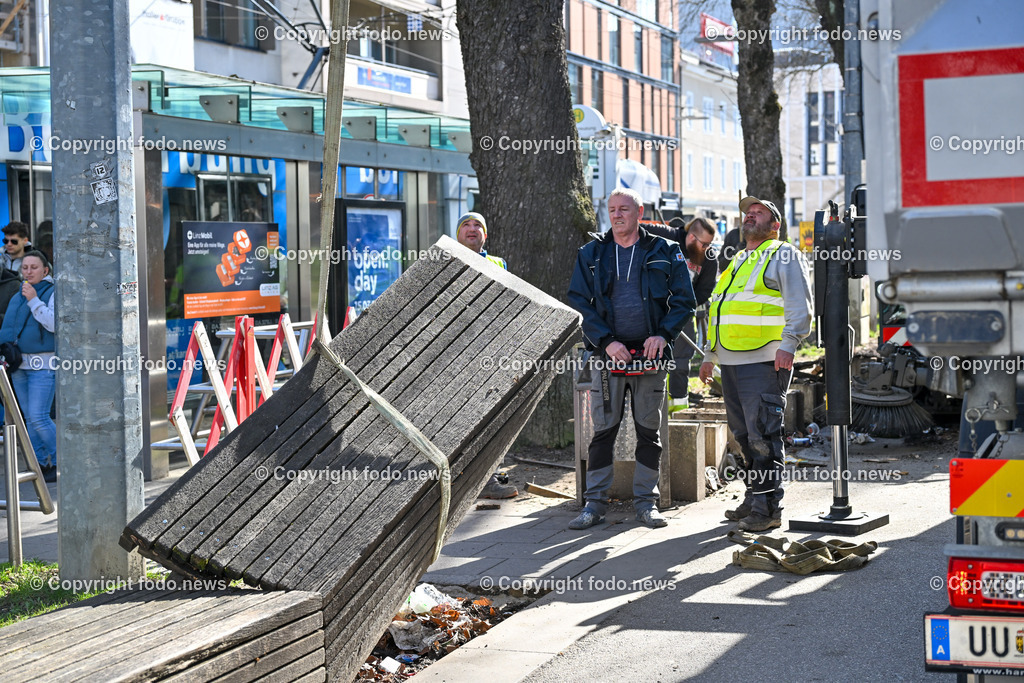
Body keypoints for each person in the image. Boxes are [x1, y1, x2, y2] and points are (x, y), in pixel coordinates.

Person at [567, 188, 695, 529]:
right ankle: (593, 505)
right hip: (608, 358)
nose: (617, 214)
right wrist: (606, 341)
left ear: (640, 211)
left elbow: (684, 300)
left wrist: (663, 334)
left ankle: (646, 504)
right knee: (603, 432)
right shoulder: (591, 253)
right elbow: (579, 301)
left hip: (651, 356)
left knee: (648, 432)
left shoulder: (664, 250)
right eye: (611, 209)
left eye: (624, 208)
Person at [699, 197, 812, 532]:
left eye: (759, 212)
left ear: (775, 225)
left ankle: (767, 509)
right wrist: (710, 354)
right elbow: (720, 309)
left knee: (763, 434)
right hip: (733, 361)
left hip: (764, 359)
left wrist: (789, 346)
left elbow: (800, 305)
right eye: (747, 212)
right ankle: (754, 497)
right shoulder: (739, 260)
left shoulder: (782, 253)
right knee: (744, 436)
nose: (750, 215)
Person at [455, 211, 517, 499]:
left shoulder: (498, 264)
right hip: (456, 352)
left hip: (490, 351)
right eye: (465, 225)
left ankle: (487, 480)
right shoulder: (447, 259)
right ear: (457, 234)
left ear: (485, 234)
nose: (471, 229)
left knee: (492, 416)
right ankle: (460, 481)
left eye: (477, 225)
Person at [645, 217, 719, 411]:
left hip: (681, 316)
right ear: (691, 237)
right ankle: (650, 412)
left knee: (679, 365)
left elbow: (704, 291)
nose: (706, 248)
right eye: (704, 243)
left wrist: (683, 305)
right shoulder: (665, 236)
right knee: (647, 362)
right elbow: (632, 230)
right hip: (650, 311)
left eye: (709, 244)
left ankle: (678, 410)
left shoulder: (709, 259)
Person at [0, 251, 57, 482]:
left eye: (34, 267)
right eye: (25, 268)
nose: (28, 272)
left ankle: (66, 460)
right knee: (28, 418)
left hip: (43, 364)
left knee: (39, 416)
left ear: (45, 271)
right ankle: (42, 465)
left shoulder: (51, 292)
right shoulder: (18, 295)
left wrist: (34, 299)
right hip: (19, 365)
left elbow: (53, 324)